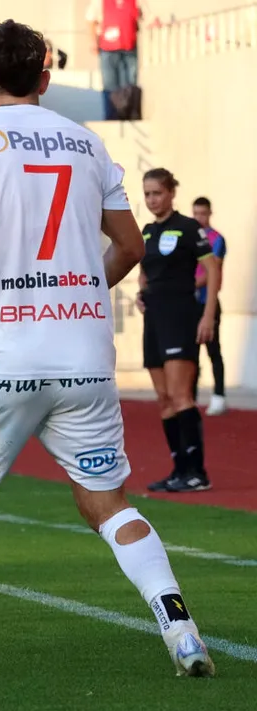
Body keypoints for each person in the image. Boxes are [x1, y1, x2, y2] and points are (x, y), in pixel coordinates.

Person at [0, 20, 213, 679]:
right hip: (85, 356)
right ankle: (182, 631)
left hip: (4, 356)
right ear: (46, 79)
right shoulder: (87, 144)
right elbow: (132, 248)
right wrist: (79, 289)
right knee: (107, 500)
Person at [137, 170, 219, 493]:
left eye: (157, 192)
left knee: (181, 395)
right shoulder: (145, 231)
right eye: (147, 194)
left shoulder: (188, 228)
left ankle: (198, 472)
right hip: (154, 319)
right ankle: (179, 469)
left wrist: (208, 316)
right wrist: (142, 293)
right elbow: (144, 269)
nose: (152, 199)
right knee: (163, 398)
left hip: (181, 316)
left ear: (171, 192)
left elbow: (213, 269)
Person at [190, 196, 226, 416]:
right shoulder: (189, 237)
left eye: (203, 214)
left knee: (214, 351)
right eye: (195, 214)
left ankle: (219, 395)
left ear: (210, 214)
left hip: (207, 302)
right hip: (189, 303)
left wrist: (187, 283)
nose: (199, 218)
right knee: (190, 353)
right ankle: (190, 398)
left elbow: (213, 270)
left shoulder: (217, 239)